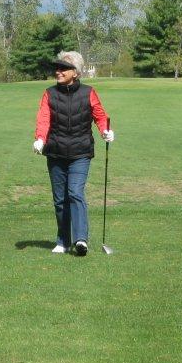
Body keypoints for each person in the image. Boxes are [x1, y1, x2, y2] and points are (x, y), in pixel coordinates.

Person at [33, 51, 114, 256]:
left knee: (75, 192)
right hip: (56, 152)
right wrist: (40, 139)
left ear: (75, 73)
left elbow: (100, 115)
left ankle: (80, 240)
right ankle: (63, 240)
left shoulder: (89, 92)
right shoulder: (49, 93)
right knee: (60, 199)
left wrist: (105, 130)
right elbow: (44, 118)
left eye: (63, 69)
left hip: (80, 152)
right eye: (57, 68)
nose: (58, 72)